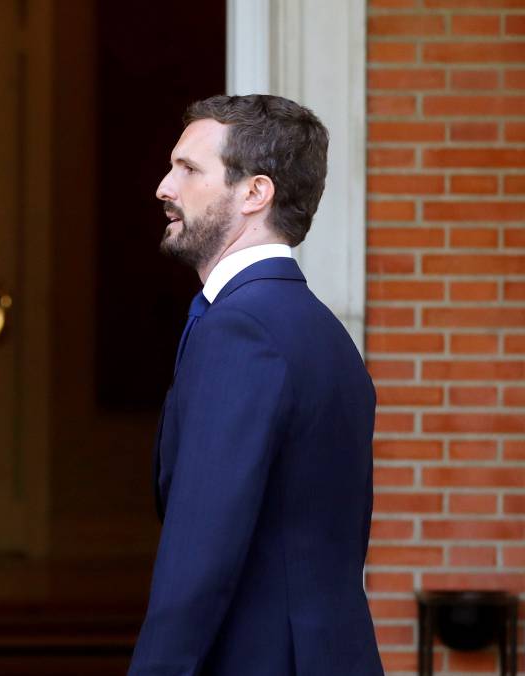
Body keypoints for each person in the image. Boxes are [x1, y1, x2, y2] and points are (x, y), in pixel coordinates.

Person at [129, 94, 383, 675]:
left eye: (189, 169)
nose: (165, 187)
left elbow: (200, 554)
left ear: (254, 193)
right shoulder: (320, 329)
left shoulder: (242, 330)